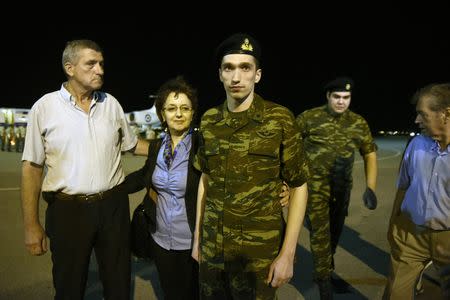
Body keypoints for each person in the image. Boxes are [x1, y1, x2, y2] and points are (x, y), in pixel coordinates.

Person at [124, 75, 291, 300]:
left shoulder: (202, 144)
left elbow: (235, 169)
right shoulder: (156, 147)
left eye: (185, 107)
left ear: (193, 113)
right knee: (171, 293)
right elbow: (145, 176)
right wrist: (109, 187)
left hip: (194, 241)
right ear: (162, 113)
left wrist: (280, 185)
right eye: (171, 108)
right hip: (161, 240)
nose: (178, 113)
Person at [21, 39, 148, 300]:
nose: (100, 69)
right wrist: (31, 224)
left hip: (113, 208)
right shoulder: (44, 108)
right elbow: (32, 168)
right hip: (68, 211)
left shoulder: (110, 104)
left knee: (119, 285)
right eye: (91, 64)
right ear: (70, 68)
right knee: (69, 286)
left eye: (101, 64)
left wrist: (175, 144)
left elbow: (133, 145)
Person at [191, 33, 309, 299]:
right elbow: (205, 181)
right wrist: (198, 238)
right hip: (213, 250)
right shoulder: (210, 120)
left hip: (258, 254)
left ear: (257, 75)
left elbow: (299, 185)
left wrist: (288, 254)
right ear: (219, 74)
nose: (236, 77)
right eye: (228, 68)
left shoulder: (279, 119)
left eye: (245, 68)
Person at [295, 76, 378, 298]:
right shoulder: (309, 118)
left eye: (346, 97)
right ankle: (324, 284)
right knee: (321, 234)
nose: (342, 101)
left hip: (342, 190)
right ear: (328, 97)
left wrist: (371, 187)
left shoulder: (358, 123)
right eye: (337, 97)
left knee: (335, 233)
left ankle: (326, 271)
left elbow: (369, 152)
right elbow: (290, 146)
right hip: (315, 190)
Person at [383, 83, 450, 299]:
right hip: (410, 234)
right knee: (395, 293)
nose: (416, 120)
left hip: (447, 238)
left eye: (422, 114)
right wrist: (394, 222)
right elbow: (403, 186)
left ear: (445, 114)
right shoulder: (416, 145)